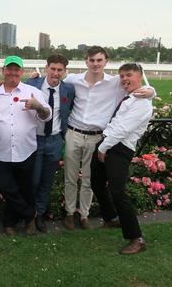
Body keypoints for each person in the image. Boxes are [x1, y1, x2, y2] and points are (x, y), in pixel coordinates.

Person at [61, 46, 154, 230]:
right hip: (74, 133)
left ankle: (84, 215)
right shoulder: (73, 79)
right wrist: (34, 77)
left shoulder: (115, 83)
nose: (95, 64)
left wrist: (151, 91)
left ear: (106, 62)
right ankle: (70, 213)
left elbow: (137, 85)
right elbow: (53, 81)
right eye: (92, 60)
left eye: (99, 60)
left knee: (89, 179)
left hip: (97, 137)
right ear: (86, 61)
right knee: (70, 177)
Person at [90, 63, 153, 254]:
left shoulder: (142, 103)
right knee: (96, 183)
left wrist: (103, 147)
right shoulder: (132, 97)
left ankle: (137, 239)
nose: (125, 79)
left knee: (118, 192)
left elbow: (123, 129)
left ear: (140, 76)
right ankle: (110, 218)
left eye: (129, 75)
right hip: (107, 142)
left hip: (119, 149)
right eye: (122, 76)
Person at [0, 56, 51, 236]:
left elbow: (47, 115)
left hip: (26, 149)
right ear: (3, 70)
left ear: (22, 72)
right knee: (7, 188)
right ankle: (30, 215)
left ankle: (10, 223)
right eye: (9, 69)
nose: (13, 73)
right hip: (0, 150)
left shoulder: (32, 91)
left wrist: (37, 106)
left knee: (25, 189)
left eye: (17, 69)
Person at [24, 54, 74, 233]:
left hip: (54, 140)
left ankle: (40, 215)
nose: (55, 73)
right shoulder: (32, 84)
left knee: (46, 181)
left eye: (60, 70)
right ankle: (29, 216)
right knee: (33, 180)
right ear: (46, 68)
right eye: (52, 69)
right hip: (34, 139)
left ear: (64, 72)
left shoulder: (68, 89)